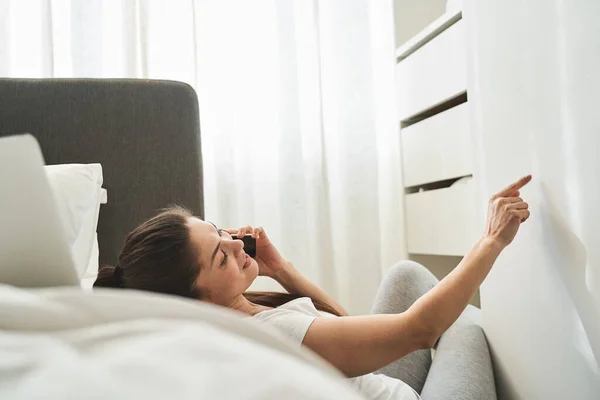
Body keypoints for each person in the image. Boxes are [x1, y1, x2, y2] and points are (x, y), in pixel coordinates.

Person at [95, 175, 532, 400]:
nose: (234, 242)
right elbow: (416, 330)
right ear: (196, 301)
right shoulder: (266, 338)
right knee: (467, 327)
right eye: (220, 256)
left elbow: (344, 334)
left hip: (378, 386)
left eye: (218, 231)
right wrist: (491, 240)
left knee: (405, 275)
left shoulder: (246, 314)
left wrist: (281, 269)